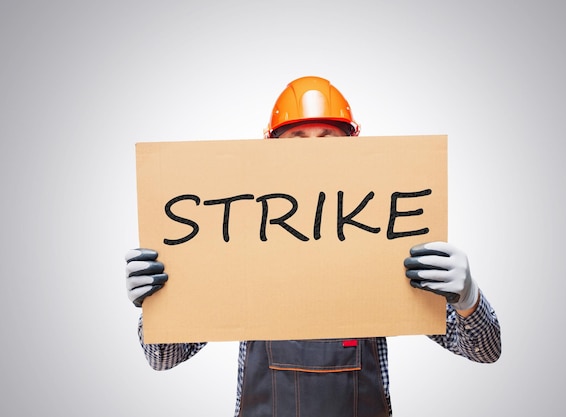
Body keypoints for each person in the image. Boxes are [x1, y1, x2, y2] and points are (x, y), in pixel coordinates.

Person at [125, 76, 501, 417]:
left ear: (353, 145)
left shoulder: (385, 235)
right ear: (270, 148)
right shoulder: (236, 240)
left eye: (328, 139)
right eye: (298, 140)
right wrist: (157, 307)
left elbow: (484, 351)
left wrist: (467, 299)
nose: (313, 153)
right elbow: (163, 360)